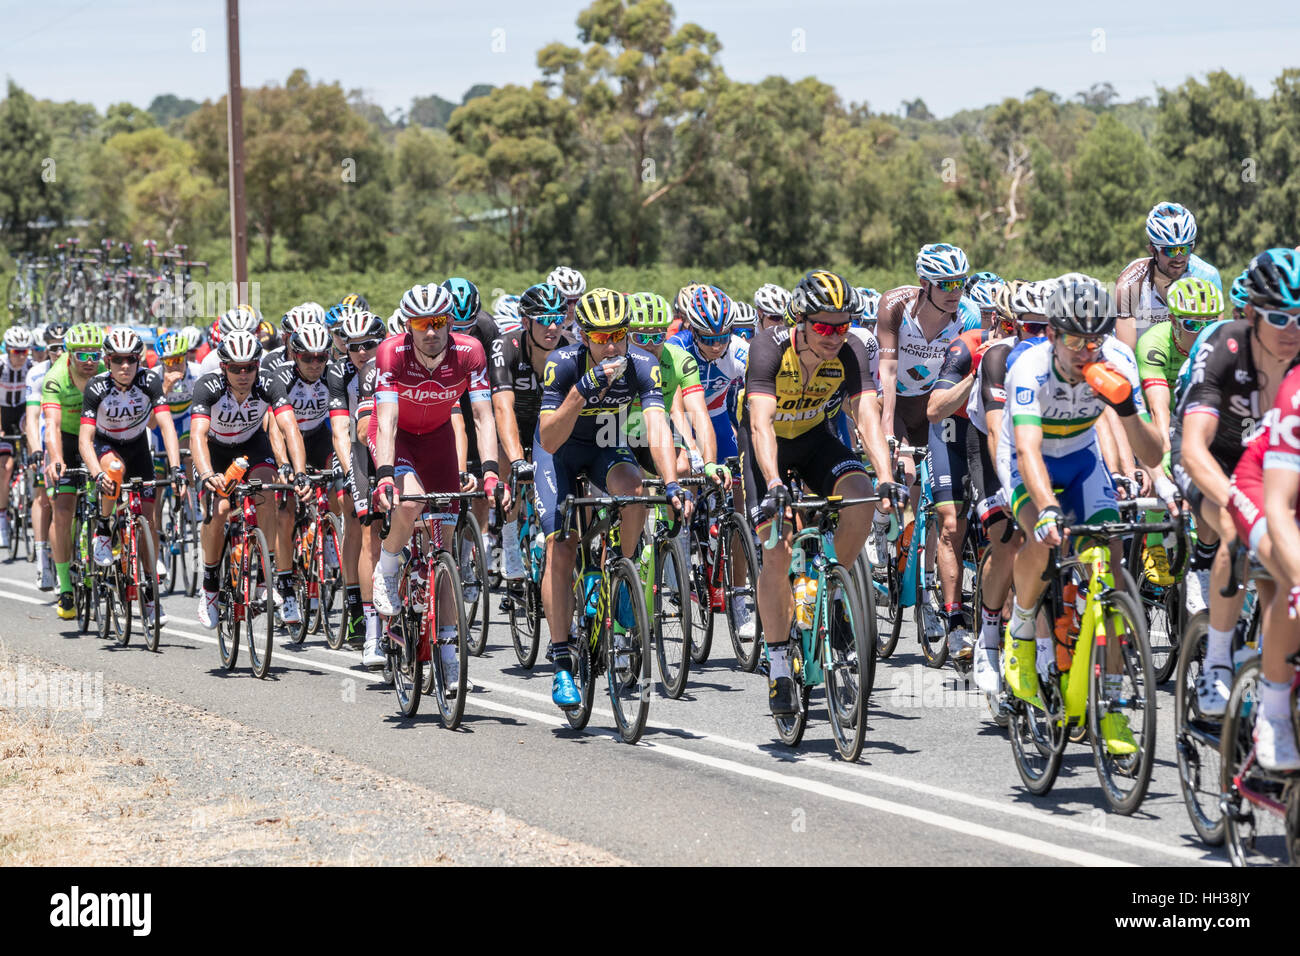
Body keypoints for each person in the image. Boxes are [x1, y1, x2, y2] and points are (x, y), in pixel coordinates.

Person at [998, 275, 1176, 753]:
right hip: (1026, 462)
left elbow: (1153, 453)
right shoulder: (1029, 368)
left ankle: (1113, 710)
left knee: (1113, 569)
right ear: (1052, 335)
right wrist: (1049, 510)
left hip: (1080, 461)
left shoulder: (1111, 364)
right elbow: (1029, 451)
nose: (1085, 351)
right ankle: (1019, 632)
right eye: (1074, 340)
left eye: (1094, 340)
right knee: (1042, 532)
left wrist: (1127, 411)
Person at [738, 269, 895, 716]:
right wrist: (772, 484)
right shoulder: (768, 347)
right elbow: (760, 423)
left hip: (814, 440)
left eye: (842, 326)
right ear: (800, 321)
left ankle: (835, 587)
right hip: (767, 447)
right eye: (824, 326)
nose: (834, 335)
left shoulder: (848, 352)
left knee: (861, 495)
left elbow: (866, 413)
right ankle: (780, 665)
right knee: (777, 546)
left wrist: (884, 477)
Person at [535, 288, 689, 710]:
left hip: (607, 444)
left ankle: (623, 572)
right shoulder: (562, 365)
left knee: (636, 489)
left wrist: (673, 485)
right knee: (562, 544)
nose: (610, 345)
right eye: (600, 337)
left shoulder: (643, 363)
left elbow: (657, 426)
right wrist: (581, 391)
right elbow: (549, 439)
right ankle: (562, 658)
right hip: (559, 454)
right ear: (583, 336)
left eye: (618, 334)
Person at [1174, 248, 1300, 719]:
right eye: (1279, 317)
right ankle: (1218, 661)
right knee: (1234, 525)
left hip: (1269, 461)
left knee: (1278, 570)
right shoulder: (1224, 344)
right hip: (1210, 456)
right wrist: (1247, 509)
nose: (1291, 330)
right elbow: (1192, 448)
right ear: (1250, 313)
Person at [368, 284, 501, 694]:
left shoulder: (469, 353)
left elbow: (482, 416)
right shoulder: (392, 353)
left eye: (439, 322)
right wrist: (386, 474)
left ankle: (446, 653)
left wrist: (492, 470)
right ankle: (388, 567)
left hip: (438, 439)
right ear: (409, 326)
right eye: (422, 324)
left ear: (450, 322)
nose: (431, 332)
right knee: (409, 504)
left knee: (445, 551)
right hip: (399, 439)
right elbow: (386, 420)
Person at [190, 330, 306, 629]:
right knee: (220, 512)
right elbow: (198, 436)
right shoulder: (208, 386)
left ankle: (266, 581)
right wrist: (206, 474)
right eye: (235, 368)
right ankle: (210, 586)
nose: (244, 374)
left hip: (252, 445)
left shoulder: (268, 383)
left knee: (267, 490)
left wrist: (300, 470)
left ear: (258, 365)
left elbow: (289, 427)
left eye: (250, 367)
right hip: (214, 452)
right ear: (223, 367)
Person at [79, 328, 185, 625]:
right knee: (114, 471)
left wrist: (176, 469)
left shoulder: (149, 380)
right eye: (117, 360)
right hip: (106, 444)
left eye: (131, 359)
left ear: (139, 359)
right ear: (107, 360)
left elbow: (166, 426)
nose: (124, 366)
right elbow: (85, 440)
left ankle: (150, 598)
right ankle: (102, 528)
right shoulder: (96, 387)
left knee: (148, 520)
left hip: (138, 446)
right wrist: (97, 473)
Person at [489, 283, 567, 590]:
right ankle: (509, 542)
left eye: (558, 318)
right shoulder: (505, 346)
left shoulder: (569, 348)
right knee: (509, 466)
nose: (552, 326)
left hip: (548, 423)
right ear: (525, 322)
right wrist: (518, 459)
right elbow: (501, 408)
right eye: (542, 318)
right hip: (514, 421)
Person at [41, 323, 107, 620]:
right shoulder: (56, 377)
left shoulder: (106, 370)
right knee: (63, 509)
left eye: (95, 354)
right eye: (83, 355)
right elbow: (51, 426)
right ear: (70, 355)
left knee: (112, 485)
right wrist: (56, 458)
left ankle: (108, 538)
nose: (91, 361)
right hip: (66, 440)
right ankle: (66, 588)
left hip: (97, 436)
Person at [1115, 201, 1222, 351]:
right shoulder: (1129, 284)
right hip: (1142, 362)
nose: (1179, 258)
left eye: (1184, 249)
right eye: (1170, 251)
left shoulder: (1207, 277)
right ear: (1153, 249)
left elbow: (1212, 343)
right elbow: (1126, 354)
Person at [668, 285, 748, 464]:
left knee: (737, 472)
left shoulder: (738, 349)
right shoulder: (677, 347)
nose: (716, 347)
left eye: (722, 338)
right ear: (693, 332)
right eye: (707, 339)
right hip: (682, 418)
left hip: (717, 415)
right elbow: (675, 406)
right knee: (688, 470)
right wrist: (693, 449)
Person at [24, 322, 65, 590]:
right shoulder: (37, 374)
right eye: (53, 348)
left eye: (64, 347)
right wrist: (36, 449)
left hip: (69, 435)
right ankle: (42, 562)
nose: (59, 353)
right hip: (44, 434)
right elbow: (32, 418)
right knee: (44, 497)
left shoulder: (77, 371)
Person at [0, 326, 34, 549]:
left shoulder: (31, 366)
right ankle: (2, 519)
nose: (21, 357)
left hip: (22, 410)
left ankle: (31, 494)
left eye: (24, 351)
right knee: (5, 466)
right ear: (8, 350)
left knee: (34, 453)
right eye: (16, 352)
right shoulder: (1, 365)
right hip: (2, 411)